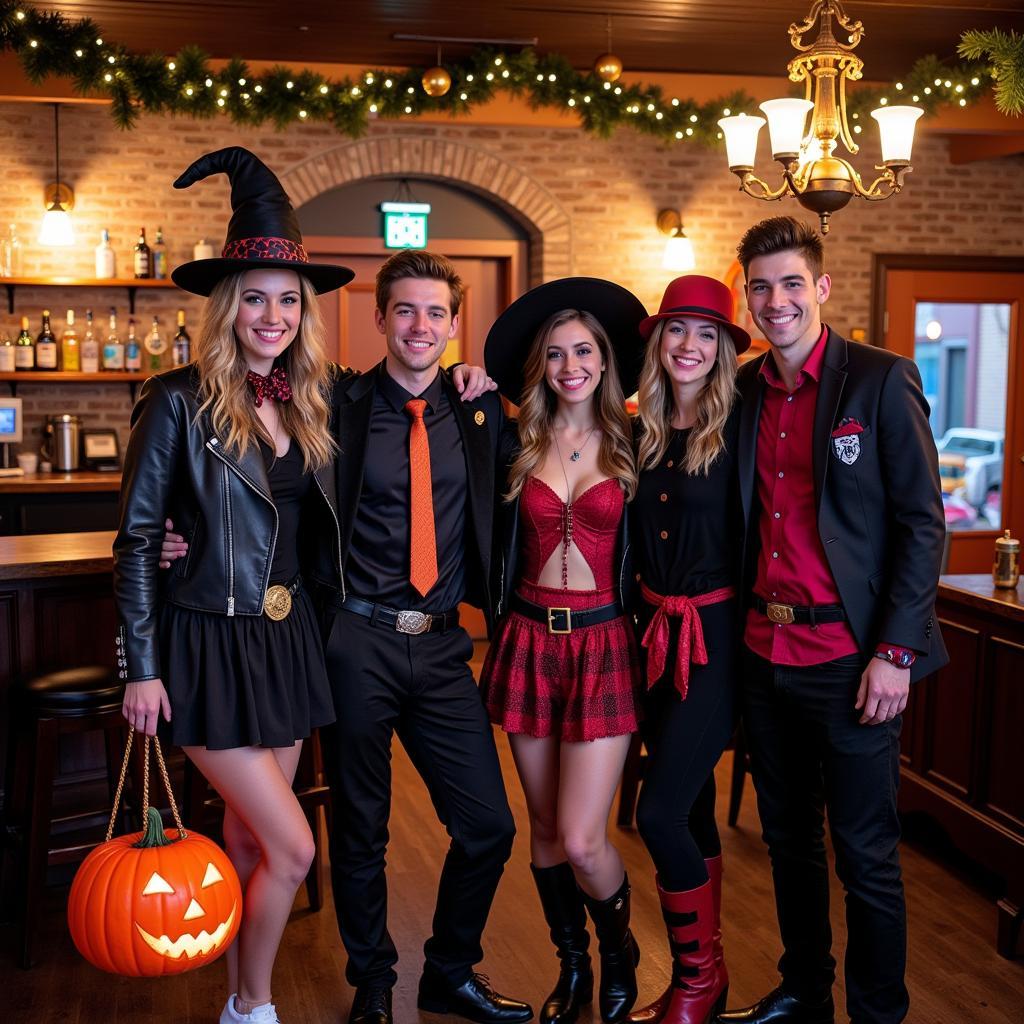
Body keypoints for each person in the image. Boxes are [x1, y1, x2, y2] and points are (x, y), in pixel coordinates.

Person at [115, 147, 355, 1024]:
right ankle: (252, 1006)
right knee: (295, 847)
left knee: (254, 840)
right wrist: (141, 666)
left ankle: (235, 998)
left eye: (288, 299)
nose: (272, 314)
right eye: (254, 296)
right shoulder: (175, 398)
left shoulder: (307, 402)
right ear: (227, 304)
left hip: (285, 643)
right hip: (205, 644)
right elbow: (139, 538)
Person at [714, 216, 948, 1024]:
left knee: (867, 856)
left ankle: (877, 1012)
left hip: (853, 662)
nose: (775, 301)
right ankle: (806, 992)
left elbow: (924, 523)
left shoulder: (880, 381)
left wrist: (896, 652)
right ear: (747, 298)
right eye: (760, 287)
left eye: (790, 284)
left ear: (821, 288)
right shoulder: (740, 389)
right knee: (788, 843)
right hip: (762, 651)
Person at [317, 249, 531, 1024]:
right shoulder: (336, 403)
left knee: (488, 826)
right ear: (378, 318)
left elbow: (547, 481)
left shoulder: (478, 413)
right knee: (361, 828)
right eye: (404, 310)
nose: (419, 325)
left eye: (435, 312)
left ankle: (449, 969)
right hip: (357, 640)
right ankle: (372, 977)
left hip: (444, 646)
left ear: (454, 323)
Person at [481, 279, 648, 1024]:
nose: (570, 365)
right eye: (555, 354)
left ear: (605, 361)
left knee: (584, 837)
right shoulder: (511, 439)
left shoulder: (640, 442)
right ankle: (572, 964)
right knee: (544, 827)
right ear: (539, 365)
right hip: (526, 639)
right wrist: (469, 383)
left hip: (605, 643)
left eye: (583, 351)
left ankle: (620, 955)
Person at [627, 276, 751, 1024]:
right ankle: (701, 980)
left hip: (715, 644)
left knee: (659, 813)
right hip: (649, 640)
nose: (690, 346)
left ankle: (700, 979)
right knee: (695, 807)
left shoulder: (741, 430)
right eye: (678, 330)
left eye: (707, 335)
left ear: (726, 352)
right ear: (657, 340)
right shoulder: (635, 428)